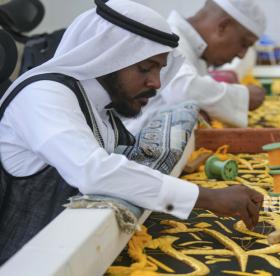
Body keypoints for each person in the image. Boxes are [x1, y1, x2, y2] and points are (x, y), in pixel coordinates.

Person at [0, 0, 262, 264]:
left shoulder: (103, 108)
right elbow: (94, 171)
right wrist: (207, 197)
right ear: (108, 56)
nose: (156, 83)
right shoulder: (43, 96)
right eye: (145, 68)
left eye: (160, 69)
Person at [124, 0, 266, 132]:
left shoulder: (193, 50)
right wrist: (242, 97)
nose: (242, 55)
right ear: (223, 27)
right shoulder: (169, 39)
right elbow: (181, 89)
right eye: (244, 44)